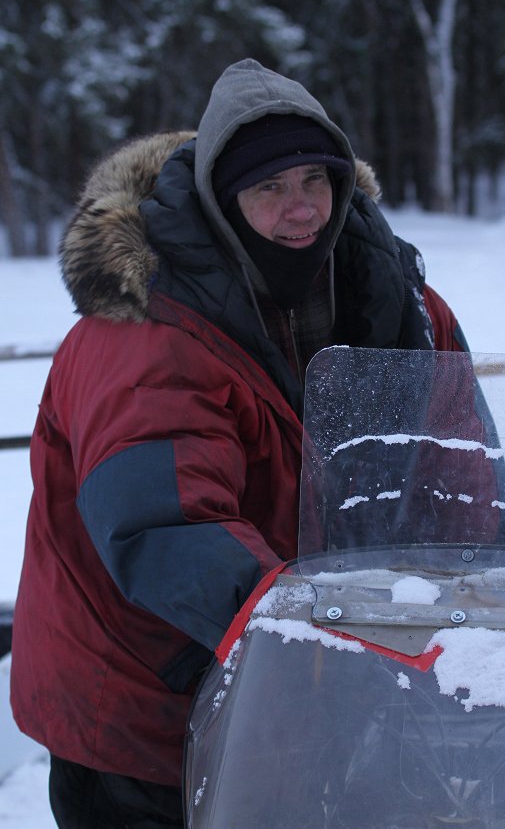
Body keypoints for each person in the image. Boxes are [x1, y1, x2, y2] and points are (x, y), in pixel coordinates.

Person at [10, 58, 479, 829]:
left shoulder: (396, 305)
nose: (300, 210)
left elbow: (458, 470)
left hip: (313, 692)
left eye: (314, 181)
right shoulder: (144, 331)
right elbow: (167, 525)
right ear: (221, 203)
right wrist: (323, 632)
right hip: (146, 705)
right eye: (268, 188)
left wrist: (485, 597)